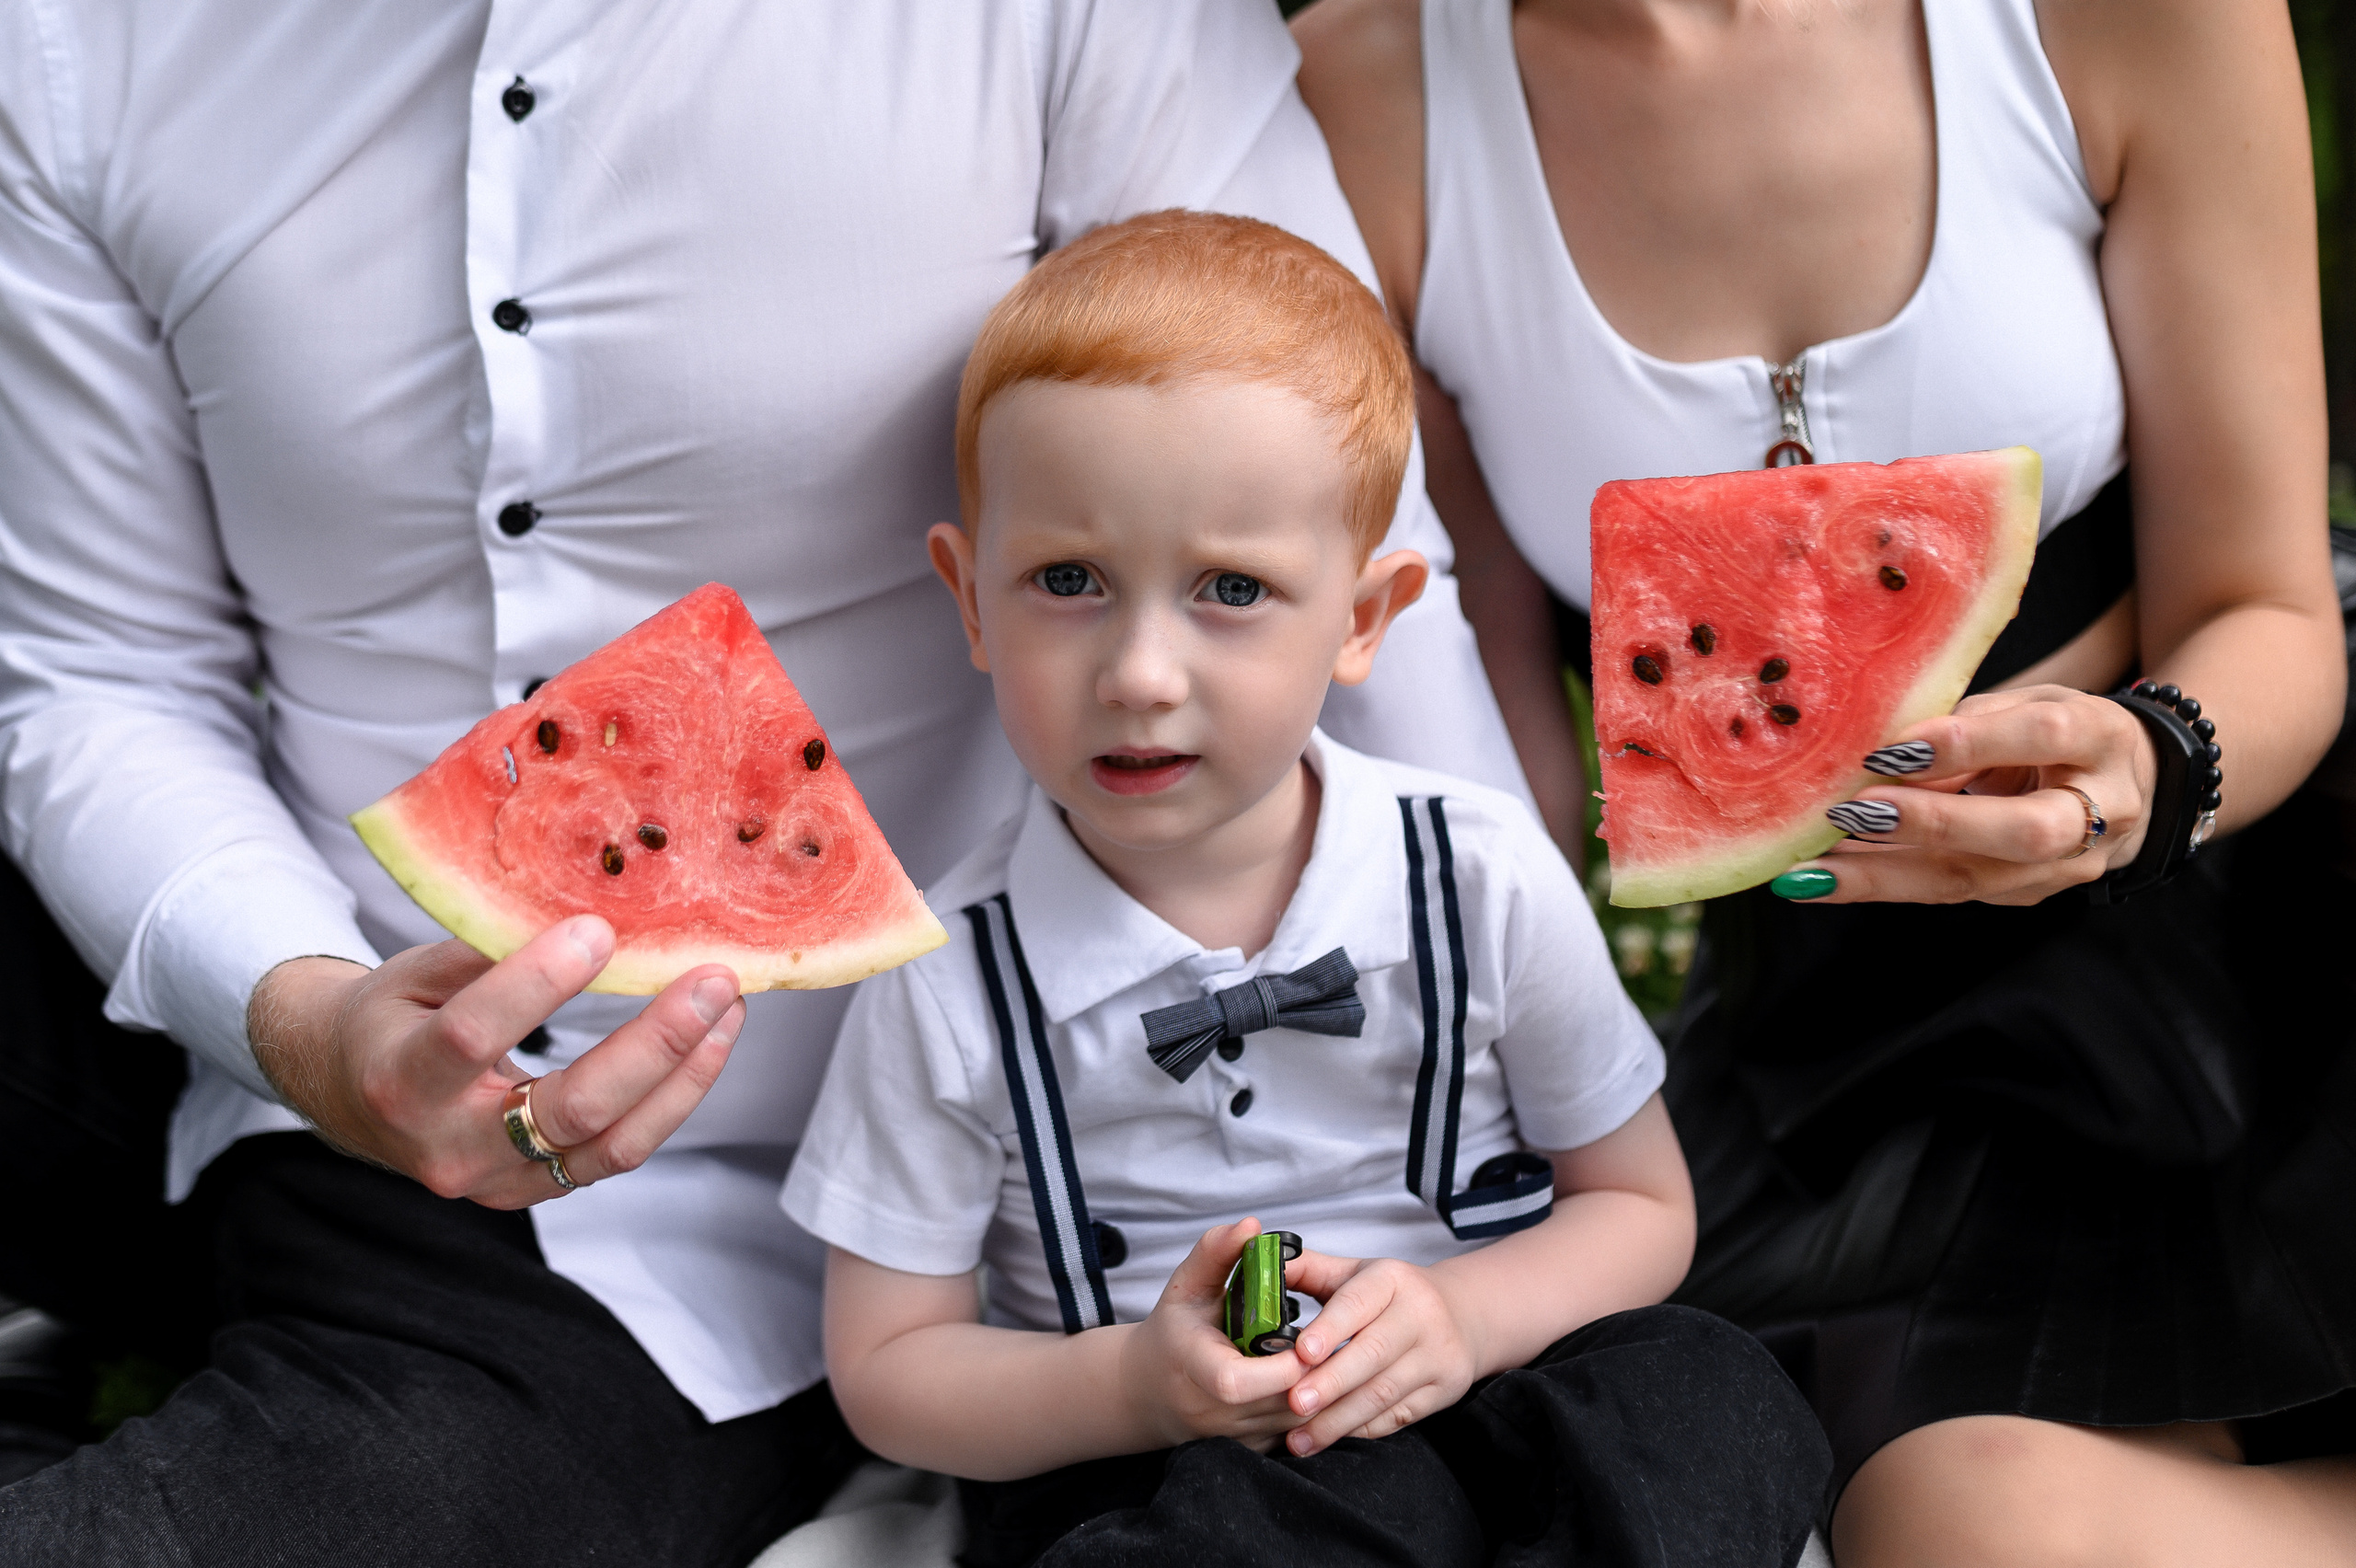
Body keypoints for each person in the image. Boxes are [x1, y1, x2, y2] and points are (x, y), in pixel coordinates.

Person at [0, 3, 1529, 1561]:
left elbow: (1328, 528)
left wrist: (1500, 1118)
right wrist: (301, 1013)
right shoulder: (81, 44)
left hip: (762, 1180)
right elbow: (98, 670)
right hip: (250, 1021)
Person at [1292, 0, 2355, 1562]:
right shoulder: (1365, 91)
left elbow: (2268, 604)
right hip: (1860, 1026)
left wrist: (2142, 763)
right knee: (1947, 1521)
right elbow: (1476, 712)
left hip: (2264, 861)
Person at [782, 210, 1830, 1568]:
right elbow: (891, 1367)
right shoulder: (949, 977)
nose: (1142, 672)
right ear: (970, 599)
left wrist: (1463, 1323)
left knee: (1713, 1392)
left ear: (1363, 620)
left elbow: (1641, 1209)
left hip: (1492, 1394)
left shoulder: (1476, 869)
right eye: (1067, 581)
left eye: (1230, 588)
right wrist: (1132, 1385)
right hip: (1158, 1470)